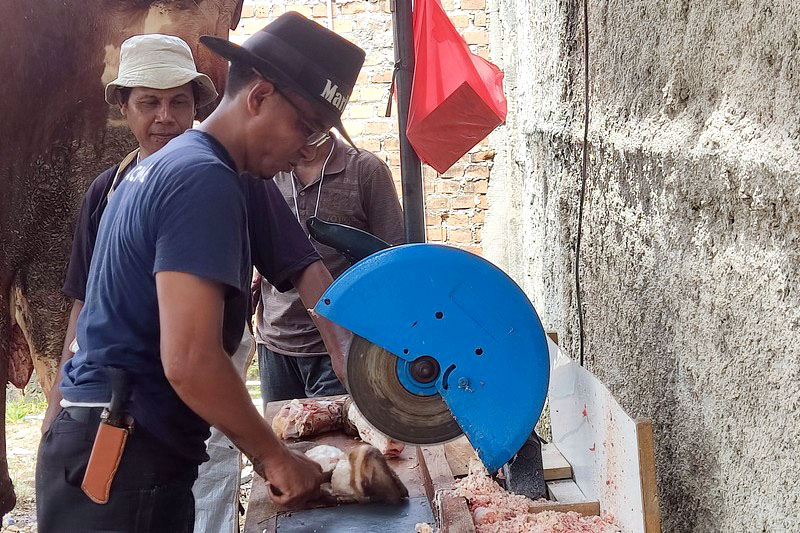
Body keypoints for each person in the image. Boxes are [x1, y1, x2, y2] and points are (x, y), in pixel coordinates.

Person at [36, 13, 364, 532]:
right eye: (305, 127)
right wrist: (275, 458)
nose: (306, 146)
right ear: (259, 97)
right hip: (122, 456)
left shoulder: (174, 166)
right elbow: (189, 359)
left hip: (113, 447)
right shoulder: (202, 178)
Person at [39, 33, 255, 533]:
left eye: (179, 102)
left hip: (197, 397)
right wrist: (57, 405)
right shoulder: (108, 190)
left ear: (196, 107)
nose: (165, 117)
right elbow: (85, 303)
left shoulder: (223, 178)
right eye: (149, 103)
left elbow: (300, 264)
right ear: (123, 107)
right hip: (125, 408)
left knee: (211, 491)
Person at [255, 133, 404, 405]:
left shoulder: (366, 170)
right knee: (280, 429)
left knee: (337, 431)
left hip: (343, 345)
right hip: (276, 342)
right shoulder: (268, 170)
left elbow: (393, 263)